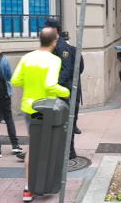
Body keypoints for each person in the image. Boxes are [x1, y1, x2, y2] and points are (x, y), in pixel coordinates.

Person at [10, 27, 70, 202]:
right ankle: (45, 183)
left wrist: (31, 84)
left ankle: (29, 188)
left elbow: (15, 80)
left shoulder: (27, 57)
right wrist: (65, 91)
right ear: (55, 41)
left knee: (33, 145)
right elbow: (51, 84)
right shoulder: (53, 60)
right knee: (46, 145)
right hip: (46, 109)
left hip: (29, 108)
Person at [41, 18, 84, 159]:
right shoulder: (53, 46)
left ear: (55, 31)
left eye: (46, 28)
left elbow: (64, 71)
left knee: (66, 120)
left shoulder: (62, 47)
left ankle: (69, 150)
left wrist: (53, 86)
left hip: (63, 90)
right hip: (57, 90)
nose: (43, 30)